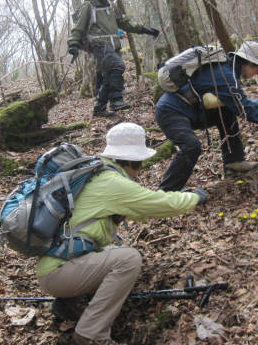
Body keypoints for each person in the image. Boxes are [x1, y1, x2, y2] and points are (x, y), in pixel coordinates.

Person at [35, 122, 207, 345]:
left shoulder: (98, 173)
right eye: (140, 161)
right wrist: (194, 198)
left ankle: (68, 304)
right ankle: (90, 336)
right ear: (131, 159)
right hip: (59, 273)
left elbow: (140, 206)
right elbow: (155, 204)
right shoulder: (111, 182)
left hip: (56, 266)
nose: (142, 165)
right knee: (128, 259)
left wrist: (177, 196)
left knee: (111, 251)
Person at [154, 41, 258, 192]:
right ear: (248, 63)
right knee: (192, 146)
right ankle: (166, 193)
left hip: (191, 111)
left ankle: (233, 162)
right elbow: (243, 108)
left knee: (227, 111)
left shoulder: (226, 70)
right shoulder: (225, 74)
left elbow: (235, 103)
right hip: (171, 112)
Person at [68, 0, 159, 117]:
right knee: (118, 66)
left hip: (114, 45)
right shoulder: (89, 5)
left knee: (108, 76)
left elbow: (124, 23)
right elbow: (78, 26)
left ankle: (99, 108)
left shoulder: (111, 5)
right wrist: (73, 43)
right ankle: (116, 100)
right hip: (99, 44)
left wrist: (144, 29)